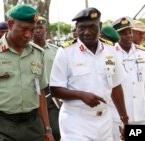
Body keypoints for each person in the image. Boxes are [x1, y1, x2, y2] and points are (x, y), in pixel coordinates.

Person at [0, 4, 54, 141]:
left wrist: (47, 129)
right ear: (11, 24)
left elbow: (40, 92)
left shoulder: (37, 53)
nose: (28, 35)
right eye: (24, 29)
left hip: (33, 125)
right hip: (0, 126)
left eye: (32, 30)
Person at [50, 7, 128, 141]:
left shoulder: (110, 50)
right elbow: (55, 90)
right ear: (76, 28)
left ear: (100, 26)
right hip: (76, 121)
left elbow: (116, 86)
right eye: (82, 28)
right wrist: (80, 95)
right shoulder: (66, 52)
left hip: (105, 121)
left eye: (92, 27)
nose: (87, 32)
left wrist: (124, 119)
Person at [111, 16, 145, 141]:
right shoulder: (110, 53)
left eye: (129, 32)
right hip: (117, 117)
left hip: (140, 114)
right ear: (116, 35)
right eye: (123, 33)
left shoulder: (142, 53)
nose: (128, 36)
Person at [33, 16, 60, 141]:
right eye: (35, 28)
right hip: (32, 93)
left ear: (46, 29)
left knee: (56, 130)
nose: (37, 30)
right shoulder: (26, 50)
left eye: (40, 27)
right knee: (38, 132)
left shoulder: (56, 51)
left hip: (52, 95)